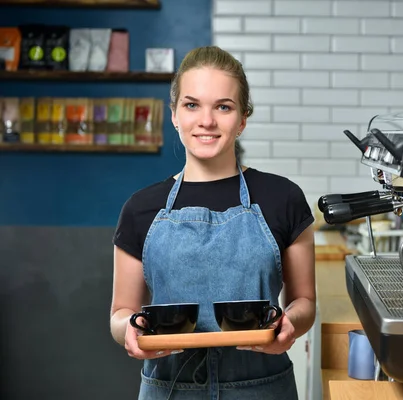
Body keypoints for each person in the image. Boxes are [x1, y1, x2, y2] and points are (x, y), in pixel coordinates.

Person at [109, 46, 316, 399]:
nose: (207, 121)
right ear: (174, 115)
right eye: (192, 105)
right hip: (168, 390)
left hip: (263, 390)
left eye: (223, 106)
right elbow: (120, 312)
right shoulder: (140, 209)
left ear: (243, 119)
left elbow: (305, 302)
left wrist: (289, 324)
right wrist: (129, 329)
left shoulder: (284, 198)